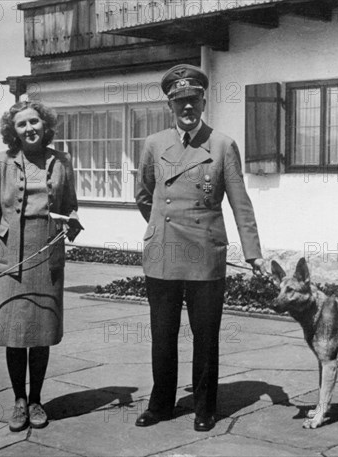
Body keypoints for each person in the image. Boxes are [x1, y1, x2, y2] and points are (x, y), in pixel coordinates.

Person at [135, 64, 264, 432]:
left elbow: (240, 203)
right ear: (169, 106)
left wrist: (253, 252)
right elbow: (144, 195)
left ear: (203, 101)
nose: (187, 108)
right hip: (163, 252)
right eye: (180, 102)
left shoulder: (222, 144)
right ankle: (160, 404)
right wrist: (161, 225)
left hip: (205, 254)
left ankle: (205, 406)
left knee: (205, 335)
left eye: (193, 100)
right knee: (162, 334)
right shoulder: (155, 144)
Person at [0, 101, 81, 432]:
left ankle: (36, 399)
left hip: (46, 256)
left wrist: (72, 220)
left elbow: (70, 205)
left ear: (45, 125)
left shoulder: (62, 161)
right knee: (15, 334)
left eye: (34, 121)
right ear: (12, 131)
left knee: (41, 333)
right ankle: (19, 400)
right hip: (9, 256)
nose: (29, 128)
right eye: (21, 124)